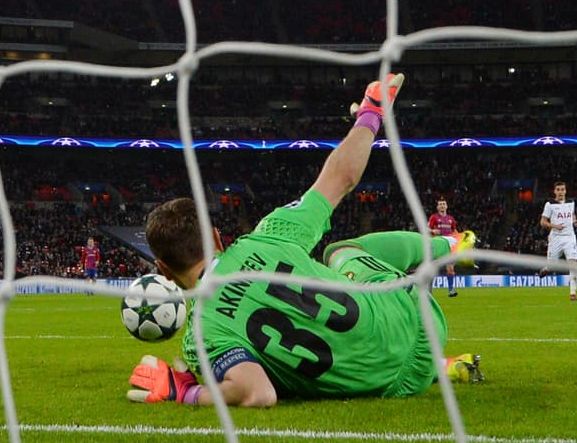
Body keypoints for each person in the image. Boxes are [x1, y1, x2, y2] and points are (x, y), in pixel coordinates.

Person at [125, 74, 483, 408]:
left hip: (391, 383)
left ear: (164, 271)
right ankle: (449, 245)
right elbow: (341, 177)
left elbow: (260, 393)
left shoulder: (204, 331)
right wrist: (370, 117)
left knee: (293, 367)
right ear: (218, 237)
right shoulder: (268, 235)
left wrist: (185, 391)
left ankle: (442, 336)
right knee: (341, 251)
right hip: (416, 322)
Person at [539, 180, 577, 301]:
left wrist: (575, 221)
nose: (561, 192)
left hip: (569, 237)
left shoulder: (571, 202)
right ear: (554, 191)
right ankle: (547, 269)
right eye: (558, 190)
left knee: (573, 264)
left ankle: (573, 294)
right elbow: (543, 222)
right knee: (552, 266)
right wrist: (555, 226)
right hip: (556, 238)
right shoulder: (549, 204)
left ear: (565, 191)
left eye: (562, 189)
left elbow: (572, 215)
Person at [428, 197, 462, 297]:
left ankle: (451, 290)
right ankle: (429, 291)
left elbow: (454, 231)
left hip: (448, 246)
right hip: (437, 245)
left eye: (444, 204)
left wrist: (460, 238)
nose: (442, 206)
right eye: (440, 204)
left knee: (450, 268)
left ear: (446, 206)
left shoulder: (451, 219)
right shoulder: (433, 217)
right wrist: (433, 231)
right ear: (437, 207)